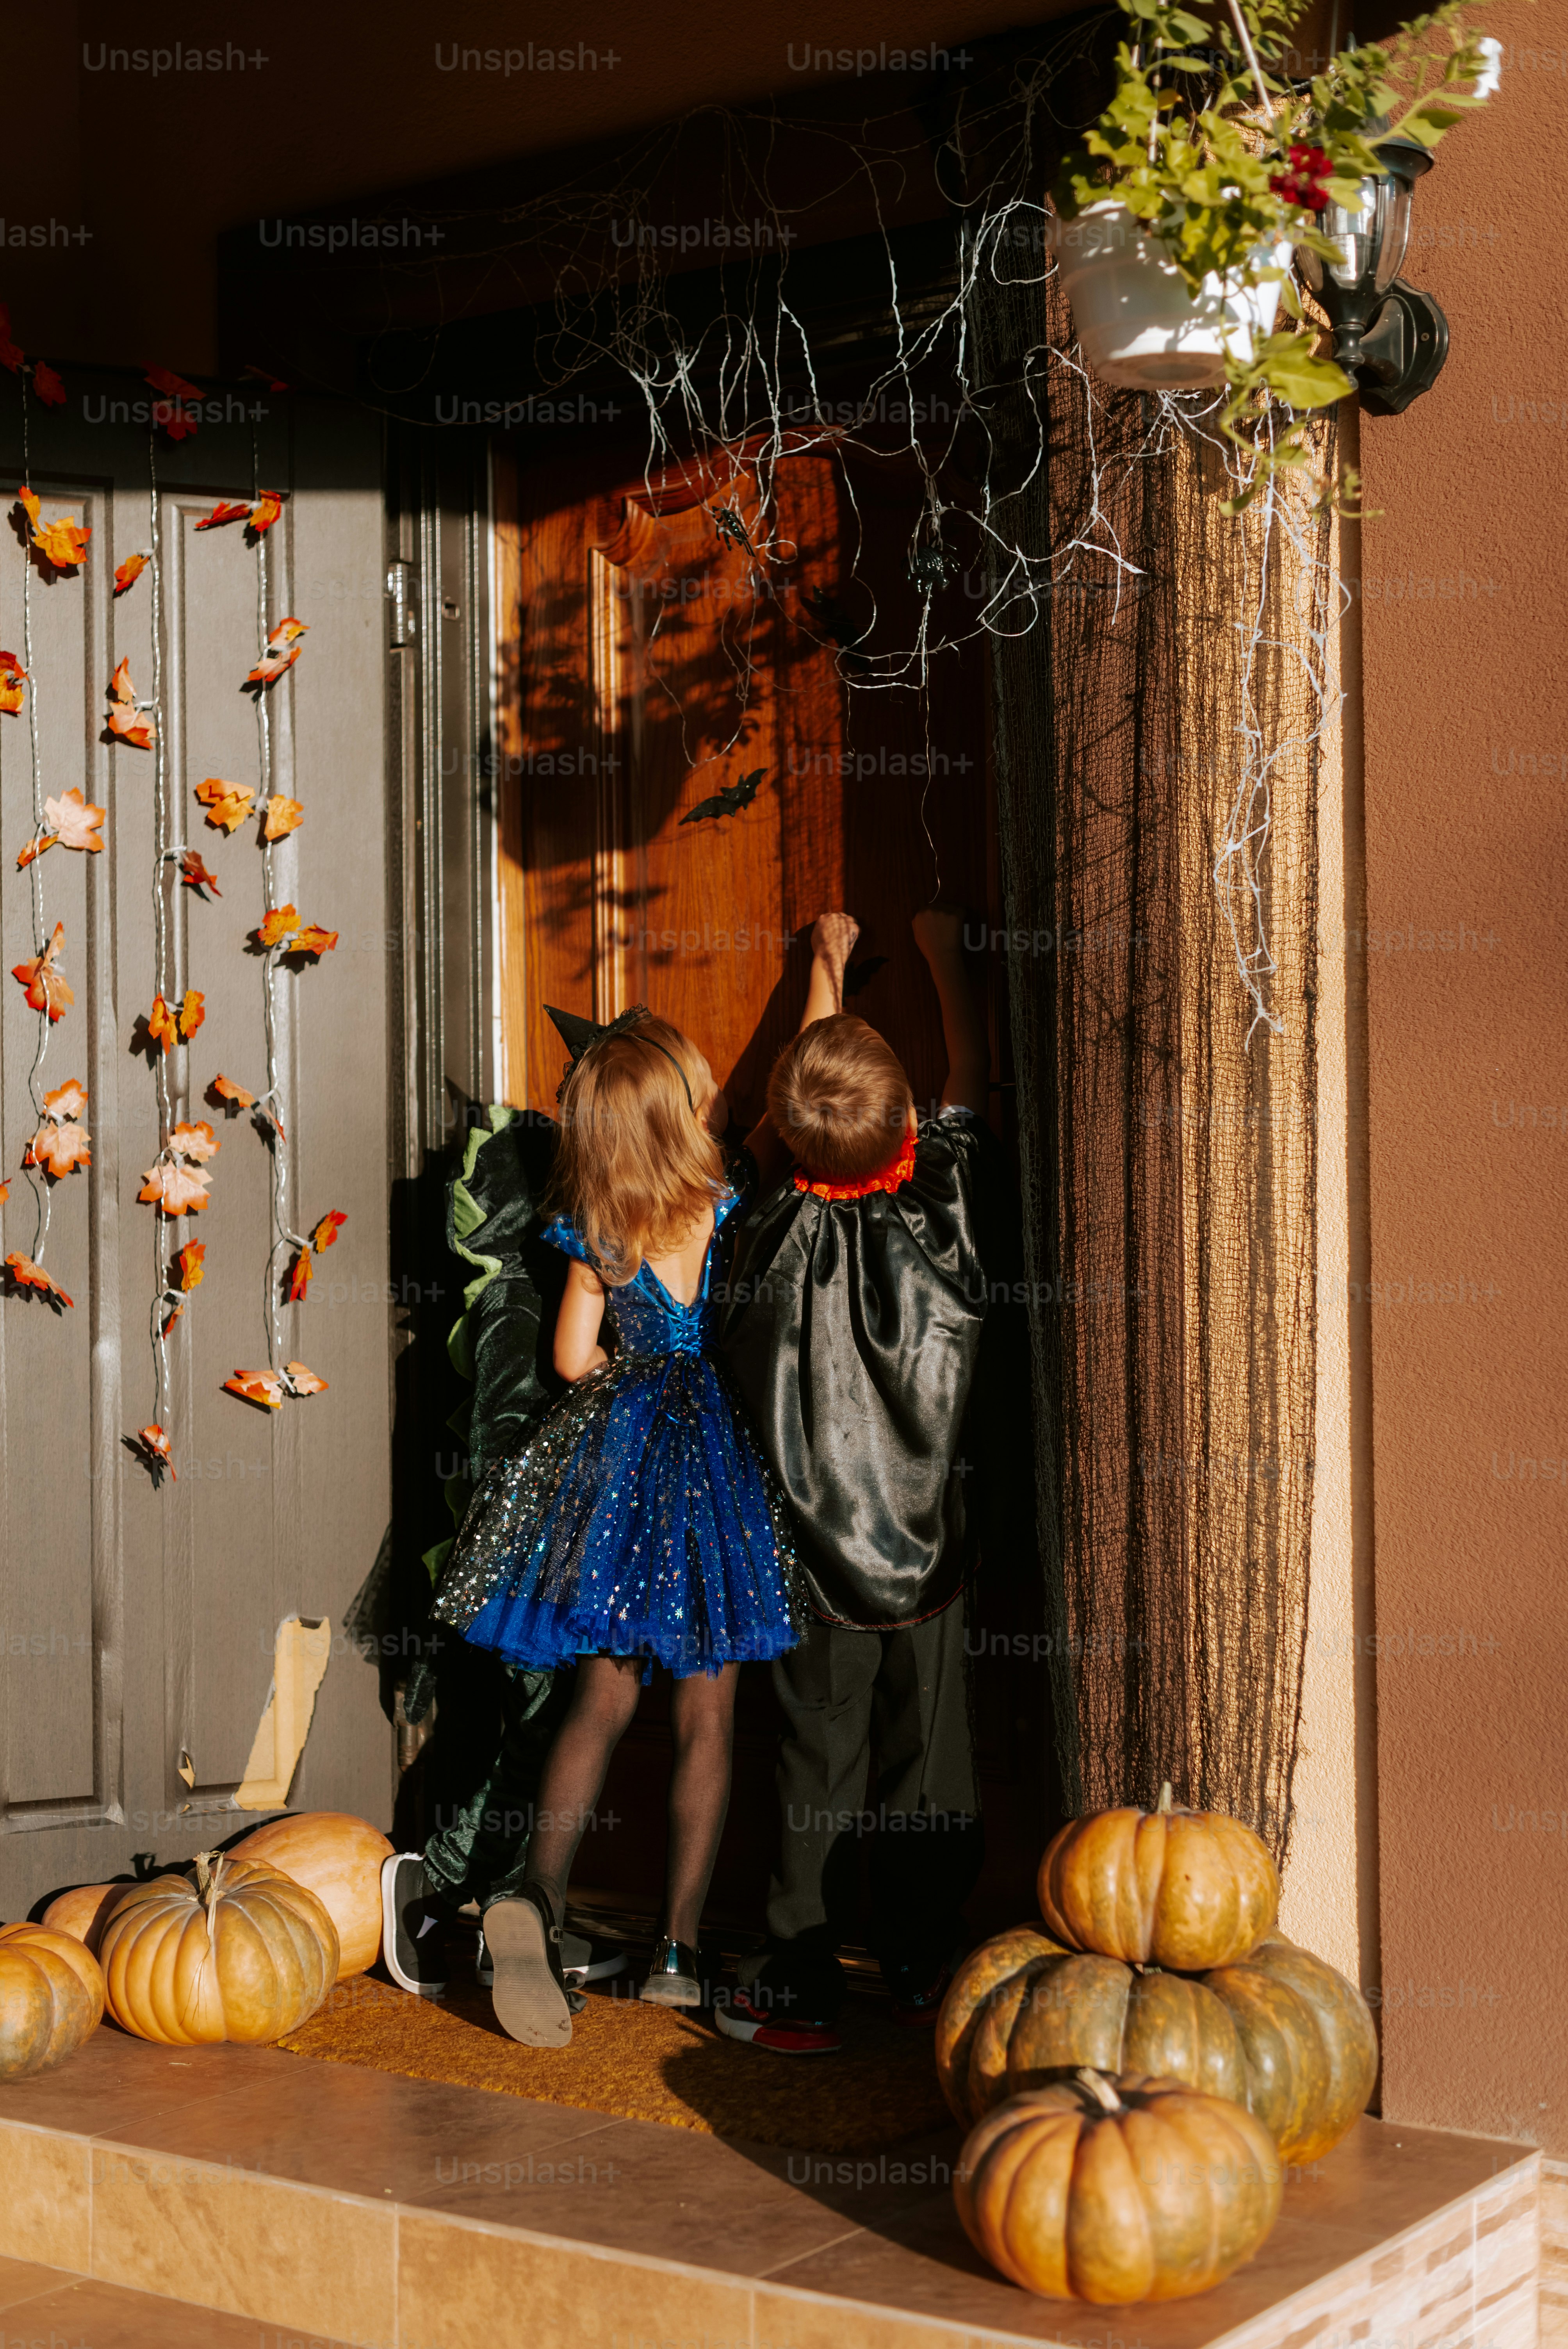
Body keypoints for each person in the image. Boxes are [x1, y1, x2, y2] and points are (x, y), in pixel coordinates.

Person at [429, 1007, 800, 2046]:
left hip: (620, 1458)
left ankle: (538, 1896)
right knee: (708, 1719)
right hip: (712, 1464)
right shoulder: (722, 1199)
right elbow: (754, 1112)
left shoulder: (596, 1230)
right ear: (679, 1112)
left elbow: (567, 1363)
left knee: (597, 1696)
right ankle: (678, 1955)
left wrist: (625, 1392)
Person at [717, 907, 998, 2052]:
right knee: (929, 1761)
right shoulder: (948, 1213)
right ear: (911, 1136)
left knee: (810, 1766)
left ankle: (797, 1978)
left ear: (785, 1133)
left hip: (811, 1570)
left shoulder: (760, 1225)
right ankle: (928, 1959)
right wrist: (945, 962)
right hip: (928, 1557)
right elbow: (970, 1076)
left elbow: (807, 1116)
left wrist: (824, 967)